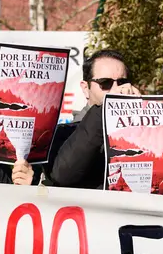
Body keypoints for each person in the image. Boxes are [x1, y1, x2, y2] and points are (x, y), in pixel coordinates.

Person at [45, 49, 140, 189]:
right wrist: (107, 108)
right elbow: (62, 175)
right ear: (85, 88)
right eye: (105, 83)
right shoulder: (63, 133)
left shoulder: (140, 131)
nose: (116, 89)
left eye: (122, 82)